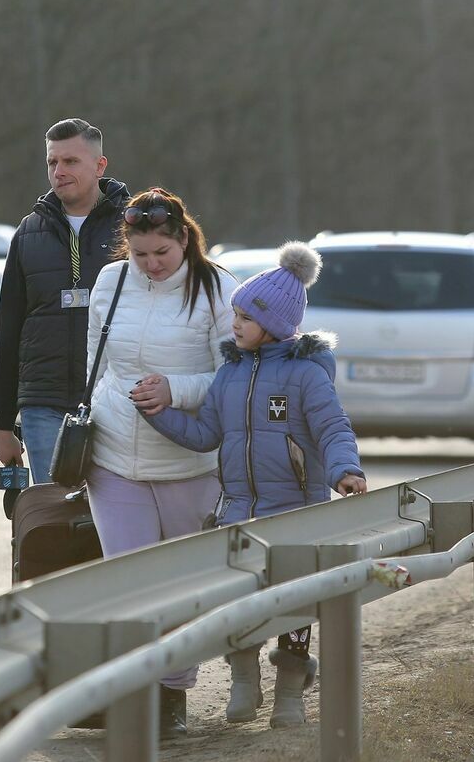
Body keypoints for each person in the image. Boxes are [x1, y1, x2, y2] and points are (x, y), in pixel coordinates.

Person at [140, 241, 367, 729]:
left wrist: (344, 471)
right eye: (236, 313)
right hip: (238, 512)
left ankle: (290, 695)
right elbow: (206, 435)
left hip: (296, 513)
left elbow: (333, 429)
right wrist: (160, 416)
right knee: (237, 602)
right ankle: (245, 680)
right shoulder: (230, 376)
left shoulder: (307, 376)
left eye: (245, 316)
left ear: (277, 324)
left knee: (295, 604)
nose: (235, 323)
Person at [85, 187, 236, 738]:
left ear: (183, 240)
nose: (150, 265)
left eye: (161, 255)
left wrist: (177, 389)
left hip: (187, 460)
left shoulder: (217, 287)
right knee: (128, 582)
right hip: (113, 455)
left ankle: (174, 690)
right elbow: (94, 361)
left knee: (178, 583)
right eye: (140, 254)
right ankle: (133, 692)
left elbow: (233, 373)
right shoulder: (110, 281)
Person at [0, 118, 130, 483]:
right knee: (55, 520)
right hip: (43, 404)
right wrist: (3, 426)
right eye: (53, 162)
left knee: (112, 519)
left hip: (116, 399)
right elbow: (8, 332)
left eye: (71, 162)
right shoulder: (28, 233)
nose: (59, 171)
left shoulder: (133, 228)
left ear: (100, 166)